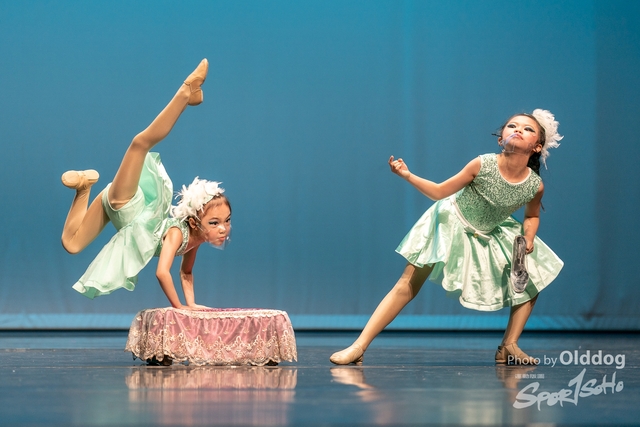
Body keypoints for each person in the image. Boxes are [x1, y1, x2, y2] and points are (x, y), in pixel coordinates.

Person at [330, 109, 564, 365]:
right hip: (450, 222)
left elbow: (532, 216)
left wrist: (528, 237)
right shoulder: (482, 164)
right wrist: (407, 175)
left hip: (490, 232)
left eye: (528, 129)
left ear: (537, 147)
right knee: (407, 283)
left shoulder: (534, 185)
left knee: (532, 280)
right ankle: (359, 346)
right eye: (512, 125)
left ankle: (509, 345)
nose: (518, 129)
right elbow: (440, 192)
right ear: (500, 140)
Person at [60, 59, 231, 310]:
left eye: (226, 221)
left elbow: (186, 273)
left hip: (116, 206)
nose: (223, 228)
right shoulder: (177, 233)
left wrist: (193, 305)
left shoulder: (196, 240)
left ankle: (84, 187)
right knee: (140, 144)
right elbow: (162, 272)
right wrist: (180, 308)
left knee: (72, 244)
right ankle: (186, 92)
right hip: (127, 206)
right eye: (215, 223)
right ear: (195, 221)